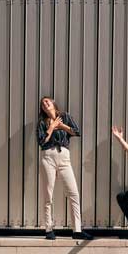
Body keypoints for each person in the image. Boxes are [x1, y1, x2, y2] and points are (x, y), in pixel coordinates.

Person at [37, 97, 93, 241]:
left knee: (73, 193)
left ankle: (77, 230)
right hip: (48, 158)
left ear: (53, 103)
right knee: (48, 195)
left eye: (47, 101)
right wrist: (51, 127)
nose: (45, 104)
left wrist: (61, 126)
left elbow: (77, 132)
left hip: (64, 158)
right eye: (42, 104)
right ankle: (49, 229)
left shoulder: (65, 116)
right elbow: (41, 141)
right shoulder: (42, 122)